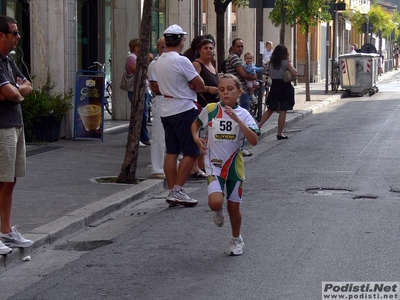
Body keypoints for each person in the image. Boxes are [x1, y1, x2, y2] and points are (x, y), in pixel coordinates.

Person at [191, 73, 260, 256]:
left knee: (234, 208)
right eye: (221, 90)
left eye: (230, 89)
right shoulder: (211, 109)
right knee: (215, 202)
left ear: (239, 92)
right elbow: (196, 125)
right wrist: (196, 139)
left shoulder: (243, 114)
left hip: (234, 167)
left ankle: (236, 239)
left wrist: (237, 120)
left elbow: (254, 140)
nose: (225, 93)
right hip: (214, 164)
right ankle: (217, 210)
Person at [155, 24, 205, 207]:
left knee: (172, 151)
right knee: (192, 151)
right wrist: (191, 84)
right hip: (183, 108)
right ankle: (178, 190)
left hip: (167, 108)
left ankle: (172, 190)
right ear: (181, 41)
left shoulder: (160, 59)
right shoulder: (181, 60)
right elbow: (199, 85)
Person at [0, 15, 34, 255]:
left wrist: (16, 91)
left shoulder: (9, 62)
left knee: (10, 180)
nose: (18, 37)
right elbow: (10, 93)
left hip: (15, 124)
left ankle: (5, 231)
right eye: (14, 33)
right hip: (2, 127)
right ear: (1, 35)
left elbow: (26, 86)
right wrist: (14, 92)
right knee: (1, 179)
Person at [190, 38, 219, 179]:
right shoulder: (197, 64)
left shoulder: (212, 64)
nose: (209, 50)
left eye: (211, 48)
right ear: (199, 50)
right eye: (206, 48)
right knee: (201, 137)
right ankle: (196, 167)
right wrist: (209, 89)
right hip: (201, 105)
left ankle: (204, 166)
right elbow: (191, 85)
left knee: (209, 138)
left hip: (213, 106)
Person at [258, 44, 298, 140]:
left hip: (275, 86)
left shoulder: (271, 63)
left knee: (271, 108)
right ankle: (279, 133)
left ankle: (258, 126)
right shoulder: (286, 63)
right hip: (284, 87)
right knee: (283, 110)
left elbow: (270, 74)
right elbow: (295, 73)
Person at [226, 38, 256, 157]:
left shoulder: (237, 59)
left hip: (241, 91)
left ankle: (239, 147)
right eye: (238, 46)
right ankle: (240, 148)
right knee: (242, 120)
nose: (240, 48)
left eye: (242, 46)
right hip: (241, 92)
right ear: (233, 47)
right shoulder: (234, 58)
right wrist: (253, 78)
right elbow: (243, 74)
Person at [125, 38, 152, 148]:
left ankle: (143, 137)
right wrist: (148, 60)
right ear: (136, 48)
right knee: (140, 114)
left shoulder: (137, 57)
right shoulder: (131, 58)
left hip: (142, 89)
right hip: (135, 90)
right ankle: (138, 138)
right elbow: (138, 70)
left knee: (143, 114)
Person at [147, 37, 166, 180]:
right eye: (163, 47)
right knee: (159, 136)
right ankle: (157, 168)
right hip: (161, 101)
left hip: (173, 101)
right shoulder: (154, 64)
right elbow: (155, 88)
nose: (165, 50)